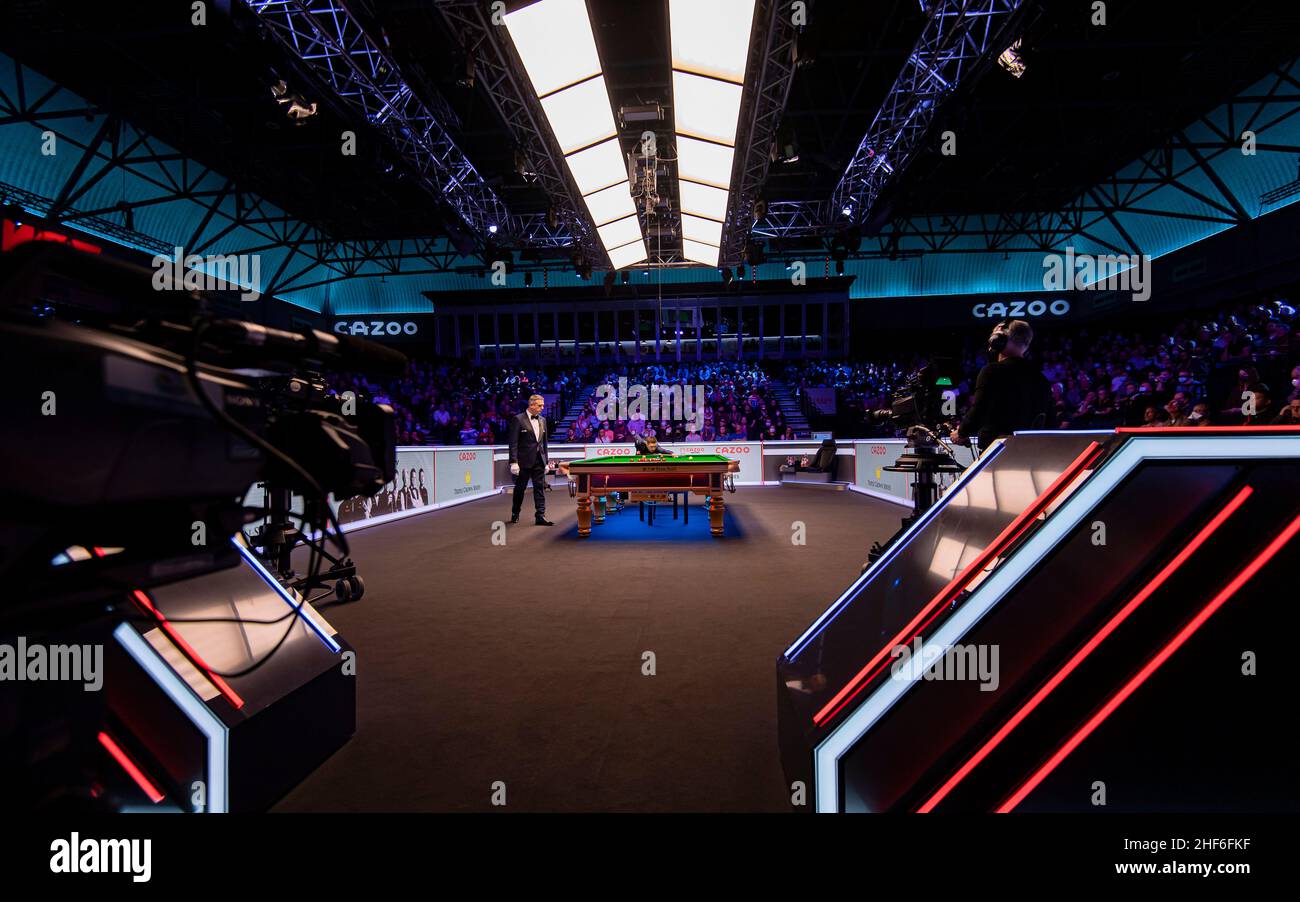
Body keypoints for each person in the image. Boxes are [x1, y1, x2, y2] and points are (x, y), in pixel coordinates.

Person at [951, 319, 1052, 452]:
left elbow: (980, 410)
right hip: (1028, 453)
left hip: (996, 452)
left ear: (998, 340)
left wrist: (961, 433)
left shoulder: (992, 371)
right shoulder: (1041, 379)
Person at [507, 394, 553, 525]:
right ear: (531, 405)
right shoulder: (518, 419)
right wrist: (514, 462)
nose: (542, 408)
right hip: (523, 462)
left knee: (540, 488)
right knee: (520, 489)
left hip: (539, 460)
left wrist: (546, 462)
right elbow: (513, 443)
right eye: (540, 405)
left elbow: (544, 443)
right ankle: (515, 512)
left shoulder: (543, 420)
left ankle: (540, 515)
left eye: (543, 405)